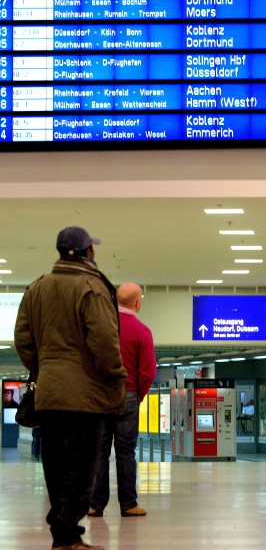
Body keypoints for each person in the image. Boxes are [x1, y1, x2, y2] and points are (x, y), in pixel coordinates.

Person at [15, 226, 126, 550]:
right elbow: (105, 342)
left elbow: (23, 338)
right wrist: (114, 376)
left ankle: (63, 535)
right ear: (88, 252)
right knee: (81, 468)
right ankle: (67, 537)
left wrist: (43, 368)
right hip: (85, 397)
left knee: (56, 465)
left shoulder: (36, 288)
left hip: (50, 394)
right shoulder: (91, 286)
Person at [89, 282, 156, 518]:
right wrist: (137, 395)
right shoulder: (142, 331)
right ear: (137, 303)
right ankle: (128, 504)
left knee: (100, 452)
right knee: (126, 452)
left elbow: (89, 363)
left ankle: (96, 505)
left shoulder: (99, 329)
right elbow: (148, 371)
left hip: (101, 397)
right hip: (128, 395)